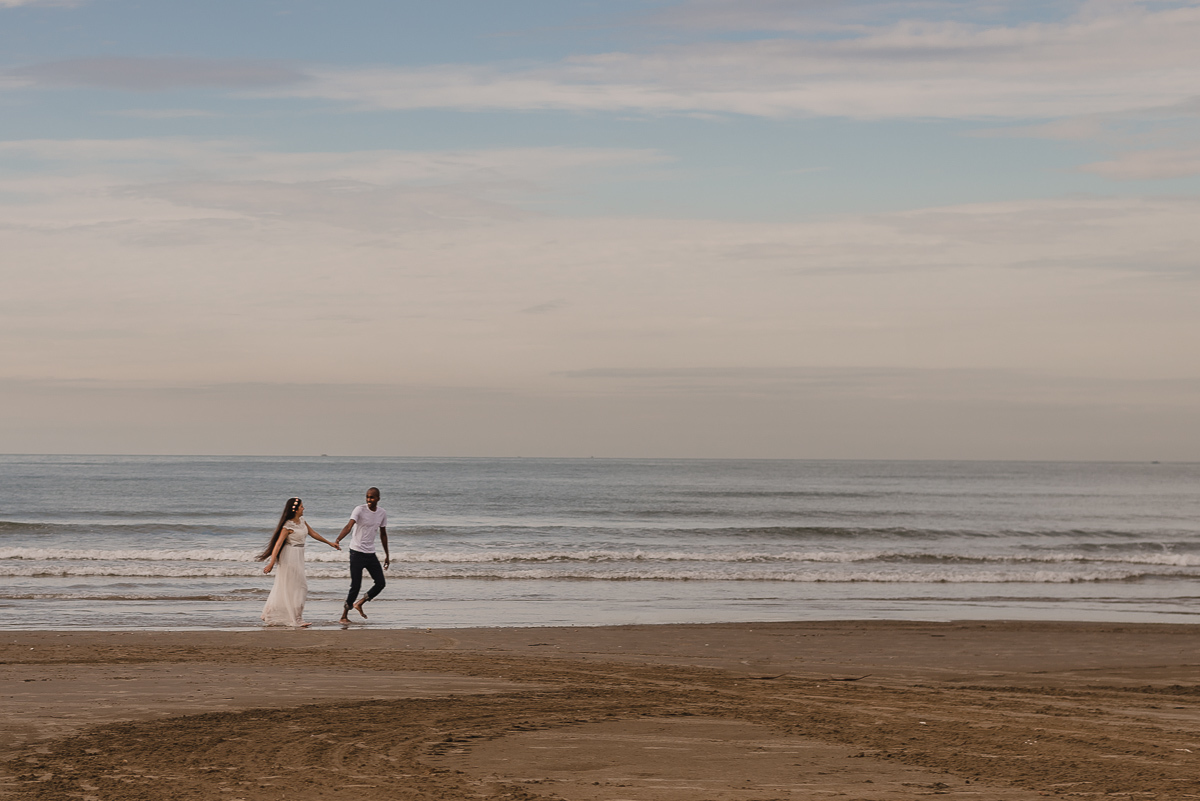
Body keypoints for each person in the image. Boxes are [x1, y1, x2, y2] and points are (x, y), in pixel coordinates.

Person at [257, 497, 340, 627]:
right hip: (289, 556)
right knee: (300, 587)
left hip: (299, 555)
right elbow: (278, 545)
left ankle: (268, 612)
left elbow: (313, 533)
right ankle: (297, 619)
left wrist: (330, 543)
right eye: (301, 506)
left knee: (291, 586)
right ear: (295, 510)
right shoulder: (288, 526)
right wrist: (271, 563)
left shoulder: (302, 521)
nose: (303, 508)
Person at [335, 487, 390, 624]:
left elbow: (383, 534)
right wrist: (338, 539)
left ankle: (360, 603)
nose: (369, 499)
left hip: (370, 553)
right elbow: (349, 526)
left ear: (378, 498)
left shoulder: (382, 513)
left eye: (372, 497)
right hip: (356, 552)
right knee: (355, 585)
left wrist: (387, 555)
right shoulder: (359, 510)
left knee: (381, 583)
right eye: (367, 497)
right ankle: (344, 615)